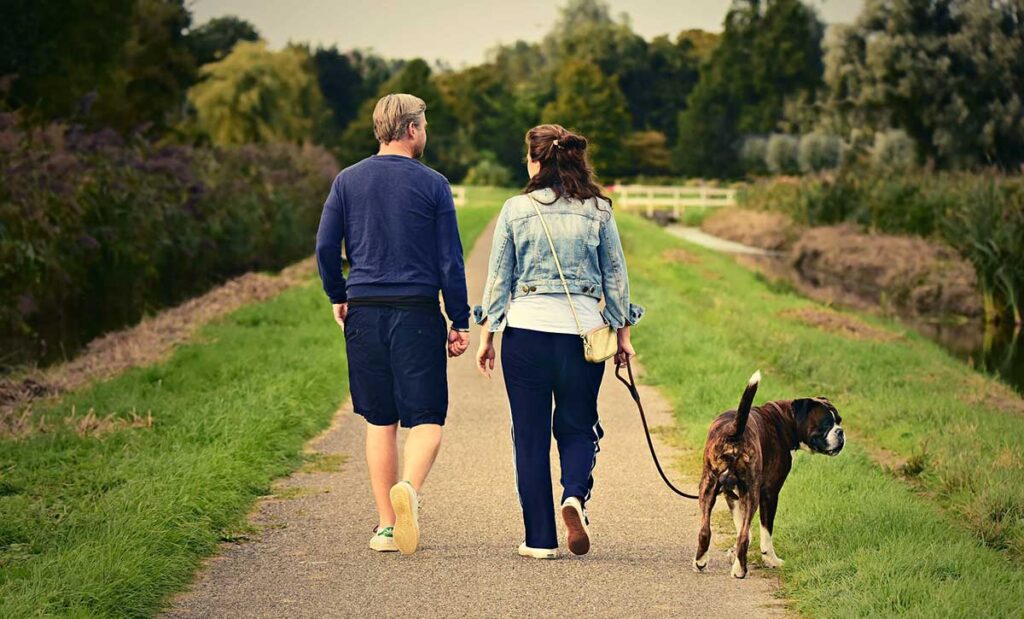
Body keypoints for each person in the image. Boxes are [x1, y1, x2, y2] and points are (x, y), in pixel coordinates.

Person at [473, 124, 644, 559]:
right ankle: (574, 495)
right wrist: (623, 336)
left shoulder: (515, 209)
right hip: (583, 337)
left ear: (536, 161)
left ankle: (539, 540)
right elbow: (616, 280)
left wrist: (487, 336)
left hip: (526, 334)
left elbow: (499, 280)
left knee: (529, 437)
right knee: (577, 425)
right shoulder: (600, 211)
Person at [315, 93, 471, 556]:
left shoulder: (346, 181)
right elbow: (450, 260)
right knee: (426, 419)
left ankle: (386, 525)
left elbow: (326, 248)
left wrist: (338, 295)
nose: (425, 133)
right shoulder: (434, 185)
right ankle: (409, 488)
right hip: (416, 313)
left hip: (364, 309)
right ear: (409, 130)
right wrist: (459, 319)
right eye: (423, 125)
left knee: (380, 421)